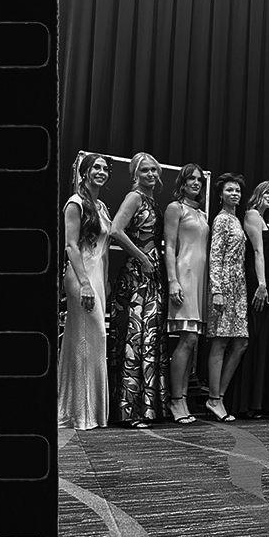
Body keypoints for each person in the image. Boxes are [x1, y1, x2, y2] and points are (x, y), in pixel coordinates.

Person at [110, 156, 167, 428]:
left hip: (152, 276)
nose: (151, 174)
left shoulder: (153, 202)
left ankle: (146, 409)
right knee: (135, 339)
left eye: (154, 169)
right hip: (136, 276)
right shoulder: (134, 197)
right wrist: (142, 257)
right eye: (145, 170)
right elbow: (115, 230)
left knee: (149, 338)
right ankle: (129, 411)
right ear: (135, 174)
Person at [60, 152, 113, 434]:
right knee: (88, 338)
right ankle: (82, 413)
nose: (102, 172)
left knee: (92, 341)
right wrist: (84, 283)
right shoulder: (75, 203)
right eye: (96, 167)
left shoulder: (102, 207)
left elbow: (104, 251)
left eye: (105, 168)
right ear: (85, 172)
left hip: (96, 277)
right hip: (80, 276)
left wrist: (103, 282)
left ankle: (86, 410)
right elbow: (71, 246)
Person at [163, 162, 210, 422]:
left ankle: (181, 396)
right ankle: (176, 400)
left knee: (193, 341)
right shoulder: (175, 208)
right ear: (182, 182)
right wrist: (173, 280)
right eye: (191, 178)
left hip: (200, 279)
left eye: (199, 180)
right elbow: (169, 246)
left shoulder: (201, 213)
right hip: (184, 275)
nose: (196, 183)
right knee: (187, 339)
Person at [203, 173, 249, 419]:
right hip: (223, 285)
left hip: (239, 286)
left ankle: (219, 396)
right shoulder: (221, 219)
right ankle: (214, 398)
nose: (235, 194)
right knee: (220, 341)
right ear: (221, 194)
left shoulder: (236, 220)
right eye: (230, 190)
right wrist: (217, 290)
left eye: (238, 190)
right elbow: (215, 255)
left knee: (241, 342)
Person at [240, 176, 269, 420]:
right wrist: (262, 285)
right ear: (259, 193)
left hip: (262, 279)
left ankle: (259, 400)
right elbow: (257, 251)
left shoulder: (264, 219)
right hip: (256, 282)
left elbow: (264, 252)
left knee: (263, 338)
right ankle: (249, 401)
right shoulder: (253, 215)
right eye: (268, 193)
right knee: (256, 336)